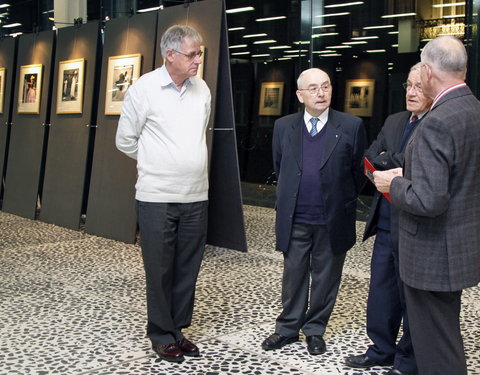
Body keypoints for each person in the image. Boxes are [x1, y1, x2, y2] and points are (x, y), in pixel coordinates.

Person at [372, 35, 480, 375]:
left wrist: (396, 183)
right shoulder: (473, 109)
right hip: (460, 249)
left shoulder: (437, 121)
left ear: (429, 72)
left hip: (433, 254)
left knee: (436, 350)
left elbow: (428, 200)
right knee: (445, 337)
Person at [115, 25, 211, 363]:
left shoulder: (202, 90)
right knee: (159, 269)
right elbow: (124, 139)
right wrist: (157, 161)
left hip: (197, 195)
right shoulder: (144, 89)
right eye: (192, 54)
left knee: (188, 267)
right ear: (169, 54)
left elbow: (198, 134)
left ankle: (178, 330)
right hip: (156, 197)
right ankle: (160, 333)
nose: (198, 60)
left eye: (200, 53)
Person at [262, 68, 366, 355]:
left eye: (326, 86)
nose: (321, 93)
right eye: (313, 88)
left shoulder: (351, 126)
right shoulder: (284, 127)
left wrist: (338, 197)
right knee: (293, 275)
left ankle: (315, 330)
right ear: (300, 95)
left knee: (325, 278)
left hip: (332, 218)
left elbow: (358, 173)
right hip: (295, 217)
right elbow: (280, 166)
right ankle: (286, 329)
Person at [345, 63, 432, 375]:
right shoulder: (395, 121)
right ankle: (381, 349)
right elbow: (369, 160)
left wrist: (394, 165)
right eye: (408, 86)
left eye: (419, 87)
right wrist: (393, 167)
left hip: (417, 226)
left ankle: (408, 360)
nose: (411, 92)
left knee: (411, 297)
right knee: (382, 291)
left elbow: (424, 174)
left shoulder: (436, 124)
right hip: (385, 221)